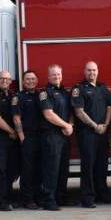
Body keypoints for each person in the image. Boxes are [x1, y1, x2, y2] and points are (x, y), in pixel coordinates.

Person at [72, 61, 111, 206]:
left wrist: (106, 125)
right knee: (88, 166)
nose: (92, 73)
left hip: (103, 132)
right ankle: (88, 198)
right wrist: (95, 126)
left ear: (98, 71)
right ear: (84, 72)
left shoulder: (103, 87)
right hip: (87, 133)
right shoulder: (79, 88)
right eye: (89, 70)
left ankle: (102, 195)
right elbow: (79, 111)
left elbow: (110, 107)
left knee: (102, 165)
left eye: (94, 70)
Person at [39, 64, 74, 211]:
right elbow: (48, 114)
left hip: (64, 135)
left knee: (63, 168)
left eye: (58, 74)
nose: (56, 77)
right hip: (51, 135)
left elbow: (72, 112)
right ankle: (48, 200)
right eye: (53, 75)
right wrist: (66, 126)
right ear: (48, 77)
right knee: (51, 169)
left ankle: (61, 198)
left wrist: (70, 125)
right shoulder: (45, 93)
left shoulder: (65, 92)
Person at [0, 71, 20, 209]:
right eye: (1, 78)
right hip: (0, 138)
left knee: (10, 170)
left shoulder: (11, 96)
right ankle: (0, 201)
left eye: (7, 79)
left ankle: (9, 198)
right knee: (0, 170)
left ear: (10, 81)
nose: (4, 81)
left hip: (11, 139)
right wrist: (12, 131)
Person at [13, 70, 43, 210]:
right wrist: (22, 137)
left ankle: (37, 197)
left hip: (40, 136)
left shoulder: (40, 95)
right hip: (28, 136)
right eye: (28, 79)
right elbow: (16, 118)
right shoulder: (19, 97)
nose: (31, 81)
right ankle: (27, 199)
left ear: (37, 80)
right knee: (27, 170)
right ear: (23, 82)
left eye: (33, 79)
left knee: (38, 169)